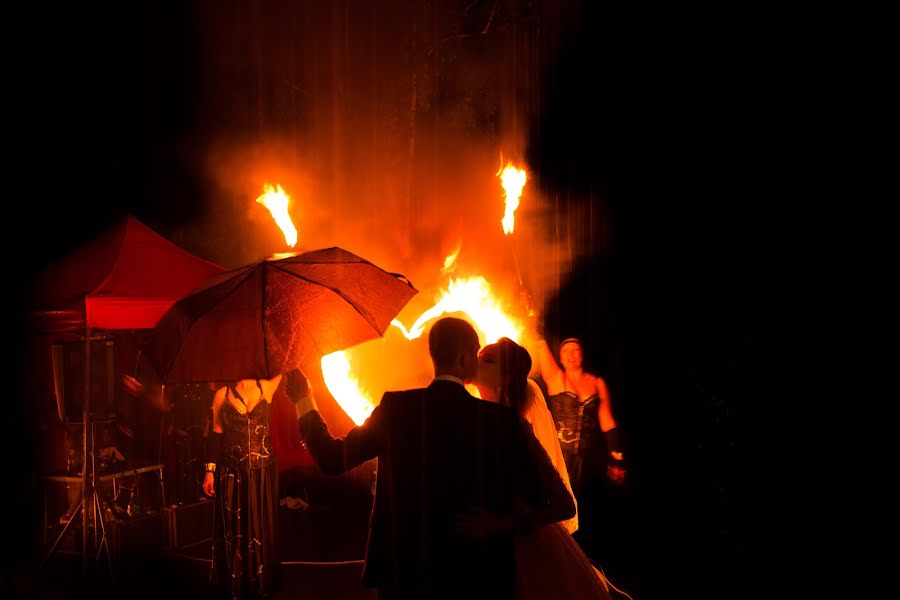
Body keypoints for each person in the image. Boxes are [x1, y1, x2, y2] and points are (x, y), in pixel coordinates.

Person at [290, 317, 575, 600]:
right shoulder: (503, 422)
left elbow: (331, 459)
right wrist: (500, 524)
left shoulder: (395, 408)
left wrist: (304, 399)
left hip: (405, 577)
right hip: (477, 577)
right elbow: (560, 503)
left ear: (434, 353)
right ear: (465, 358)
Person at [473, 338, 612, 600]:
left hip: (524, 554)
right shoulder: (474, 420)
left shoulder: (517, 431)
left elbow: (564, 505)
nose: (478, 358)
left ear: (502, 378)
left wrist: (501, 524)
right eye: (481, 354)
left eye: (488, 359)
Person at [203, 374, 286, 599]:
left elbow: (285, 361)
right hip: (232, 471)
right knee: (236, 530)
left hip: (262, 471)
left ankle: (261, 581)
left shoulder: (267, 386)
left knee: (260, 524)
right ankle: (238, 583)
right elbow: (215, 436)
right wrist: (209, 472)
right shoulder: (222, 395)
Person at [530, 337, 626, 496]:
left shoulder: (597, 383)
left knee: (582, 507)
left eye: (576, 350)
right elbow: (540, 344)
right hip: (557, 455)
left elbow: (607, 421)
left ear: (583, 355)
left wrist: (616, 458)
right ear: (560, 357)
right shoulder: (555, 378)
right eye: (565, 351)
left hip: (587, 460)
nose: (570, 354)